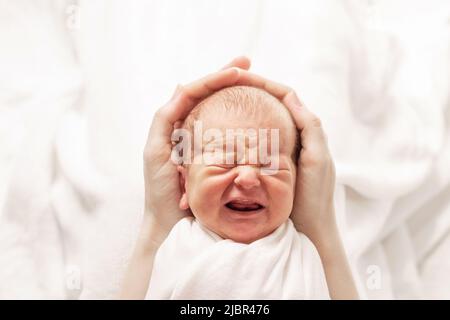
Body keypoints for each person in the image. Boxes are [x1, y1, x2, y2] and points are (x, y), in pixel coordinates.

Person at [119, 57, 359, 299]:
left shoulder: (305, 252)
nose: (248, 178)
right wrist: (157, 221)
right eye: (225, 161)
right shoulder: (173, 246)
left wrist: (321, 227)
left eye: (269, 164)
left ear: (297, 184)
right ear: (184, 183)